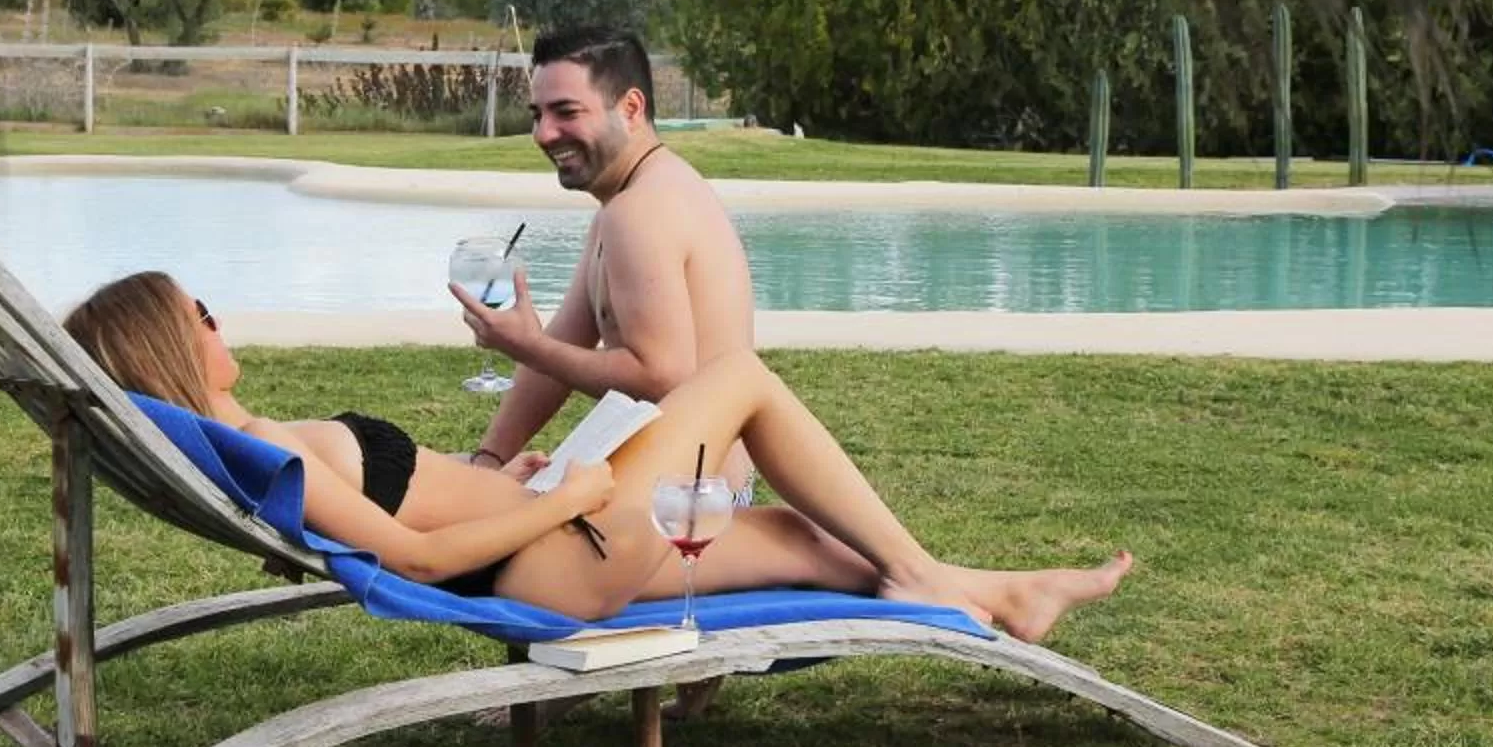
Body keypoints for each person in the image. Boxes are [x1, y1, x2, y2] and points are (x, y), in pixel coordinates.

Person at [63, 270, 1133, 643]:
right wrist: (563, 492)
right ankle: (931, 576)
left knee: (800, 538)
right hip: (556, 555)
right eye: (197, 309)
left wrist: (506, 480)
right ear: (172, 343)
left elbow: (419, 520)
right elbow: (418, 560)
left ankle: (1001, 593)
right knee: (742, 378)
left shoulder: (251, 439)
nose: (217, 315)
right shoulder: (255, 443)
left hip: (539, 529)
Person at [452, 25, 758, 490]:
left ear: (630, 108)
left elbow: (663, 378)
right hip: (672, 485)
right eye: (538, 114)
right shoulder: (623, 205)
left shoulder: (641, 210)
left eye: (566, 112)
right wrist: (490, 460)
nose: (544, 133)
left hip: (686, 507)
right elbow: (563, 344)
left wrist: (525, 345)